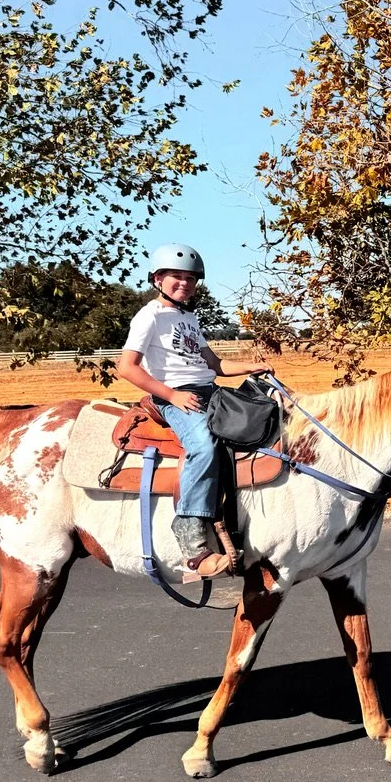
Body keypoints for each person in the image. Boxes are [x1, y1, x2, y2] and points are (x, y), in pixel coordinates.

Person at [117, 243, 273, 578]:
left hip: (209, 391)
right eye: (176, 276)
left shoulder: (189, 317)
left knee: (265, 416)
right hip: (176, 396)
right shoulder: (150, 316)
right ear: (158, 278)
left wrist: (252, 367)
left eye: (190, 278)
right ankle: (190, 533)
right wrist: (171, 395)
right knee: (203, 446)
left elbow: (213, 364)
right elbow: (127, 367)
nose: (184, 283)